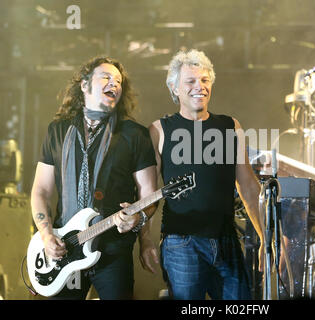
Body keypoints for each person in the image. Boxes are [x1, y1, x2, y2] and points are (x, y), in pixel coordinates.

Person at [30, 56, 159, 299]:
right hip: (64, 249)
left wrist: (139, 220)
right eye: (106, 77)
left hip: (113, 251)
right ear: (84, 84)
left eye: (119, 81)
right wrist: (47, 235)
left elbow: (149, 196)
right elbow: (41, 192)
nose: (115, 84)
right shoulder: (57, 131)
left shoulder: (135, 135)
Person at [148, 49, 264, 300]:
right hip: (181, 243)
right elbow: (148, 195)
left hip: (226, 239)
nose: (199, 86)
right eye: (190, 81)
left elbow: (248, 187)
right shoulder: (160, 130)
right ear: (174, 88)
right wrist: (144, 239)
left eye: (204, 80)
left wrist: (265, 237)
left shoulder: (230, 126)